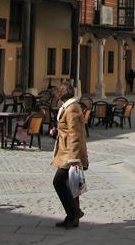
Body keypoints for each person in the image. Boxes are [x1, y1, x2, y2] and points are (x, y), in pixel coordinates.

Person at [50, 83, 89, 228]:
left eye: (57, 93)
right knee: (73, 185)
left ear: (61, 94)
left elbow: (76, 134)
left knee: (58, 182)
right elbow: (67, 129)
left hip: (71, 154)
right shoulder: (68, 107)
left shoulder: (72, 108)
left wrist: (74, 158)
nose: (56, 96)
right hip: (67, 151)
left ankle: (75, 212)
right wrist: (56, 131)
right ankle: (73, 217)